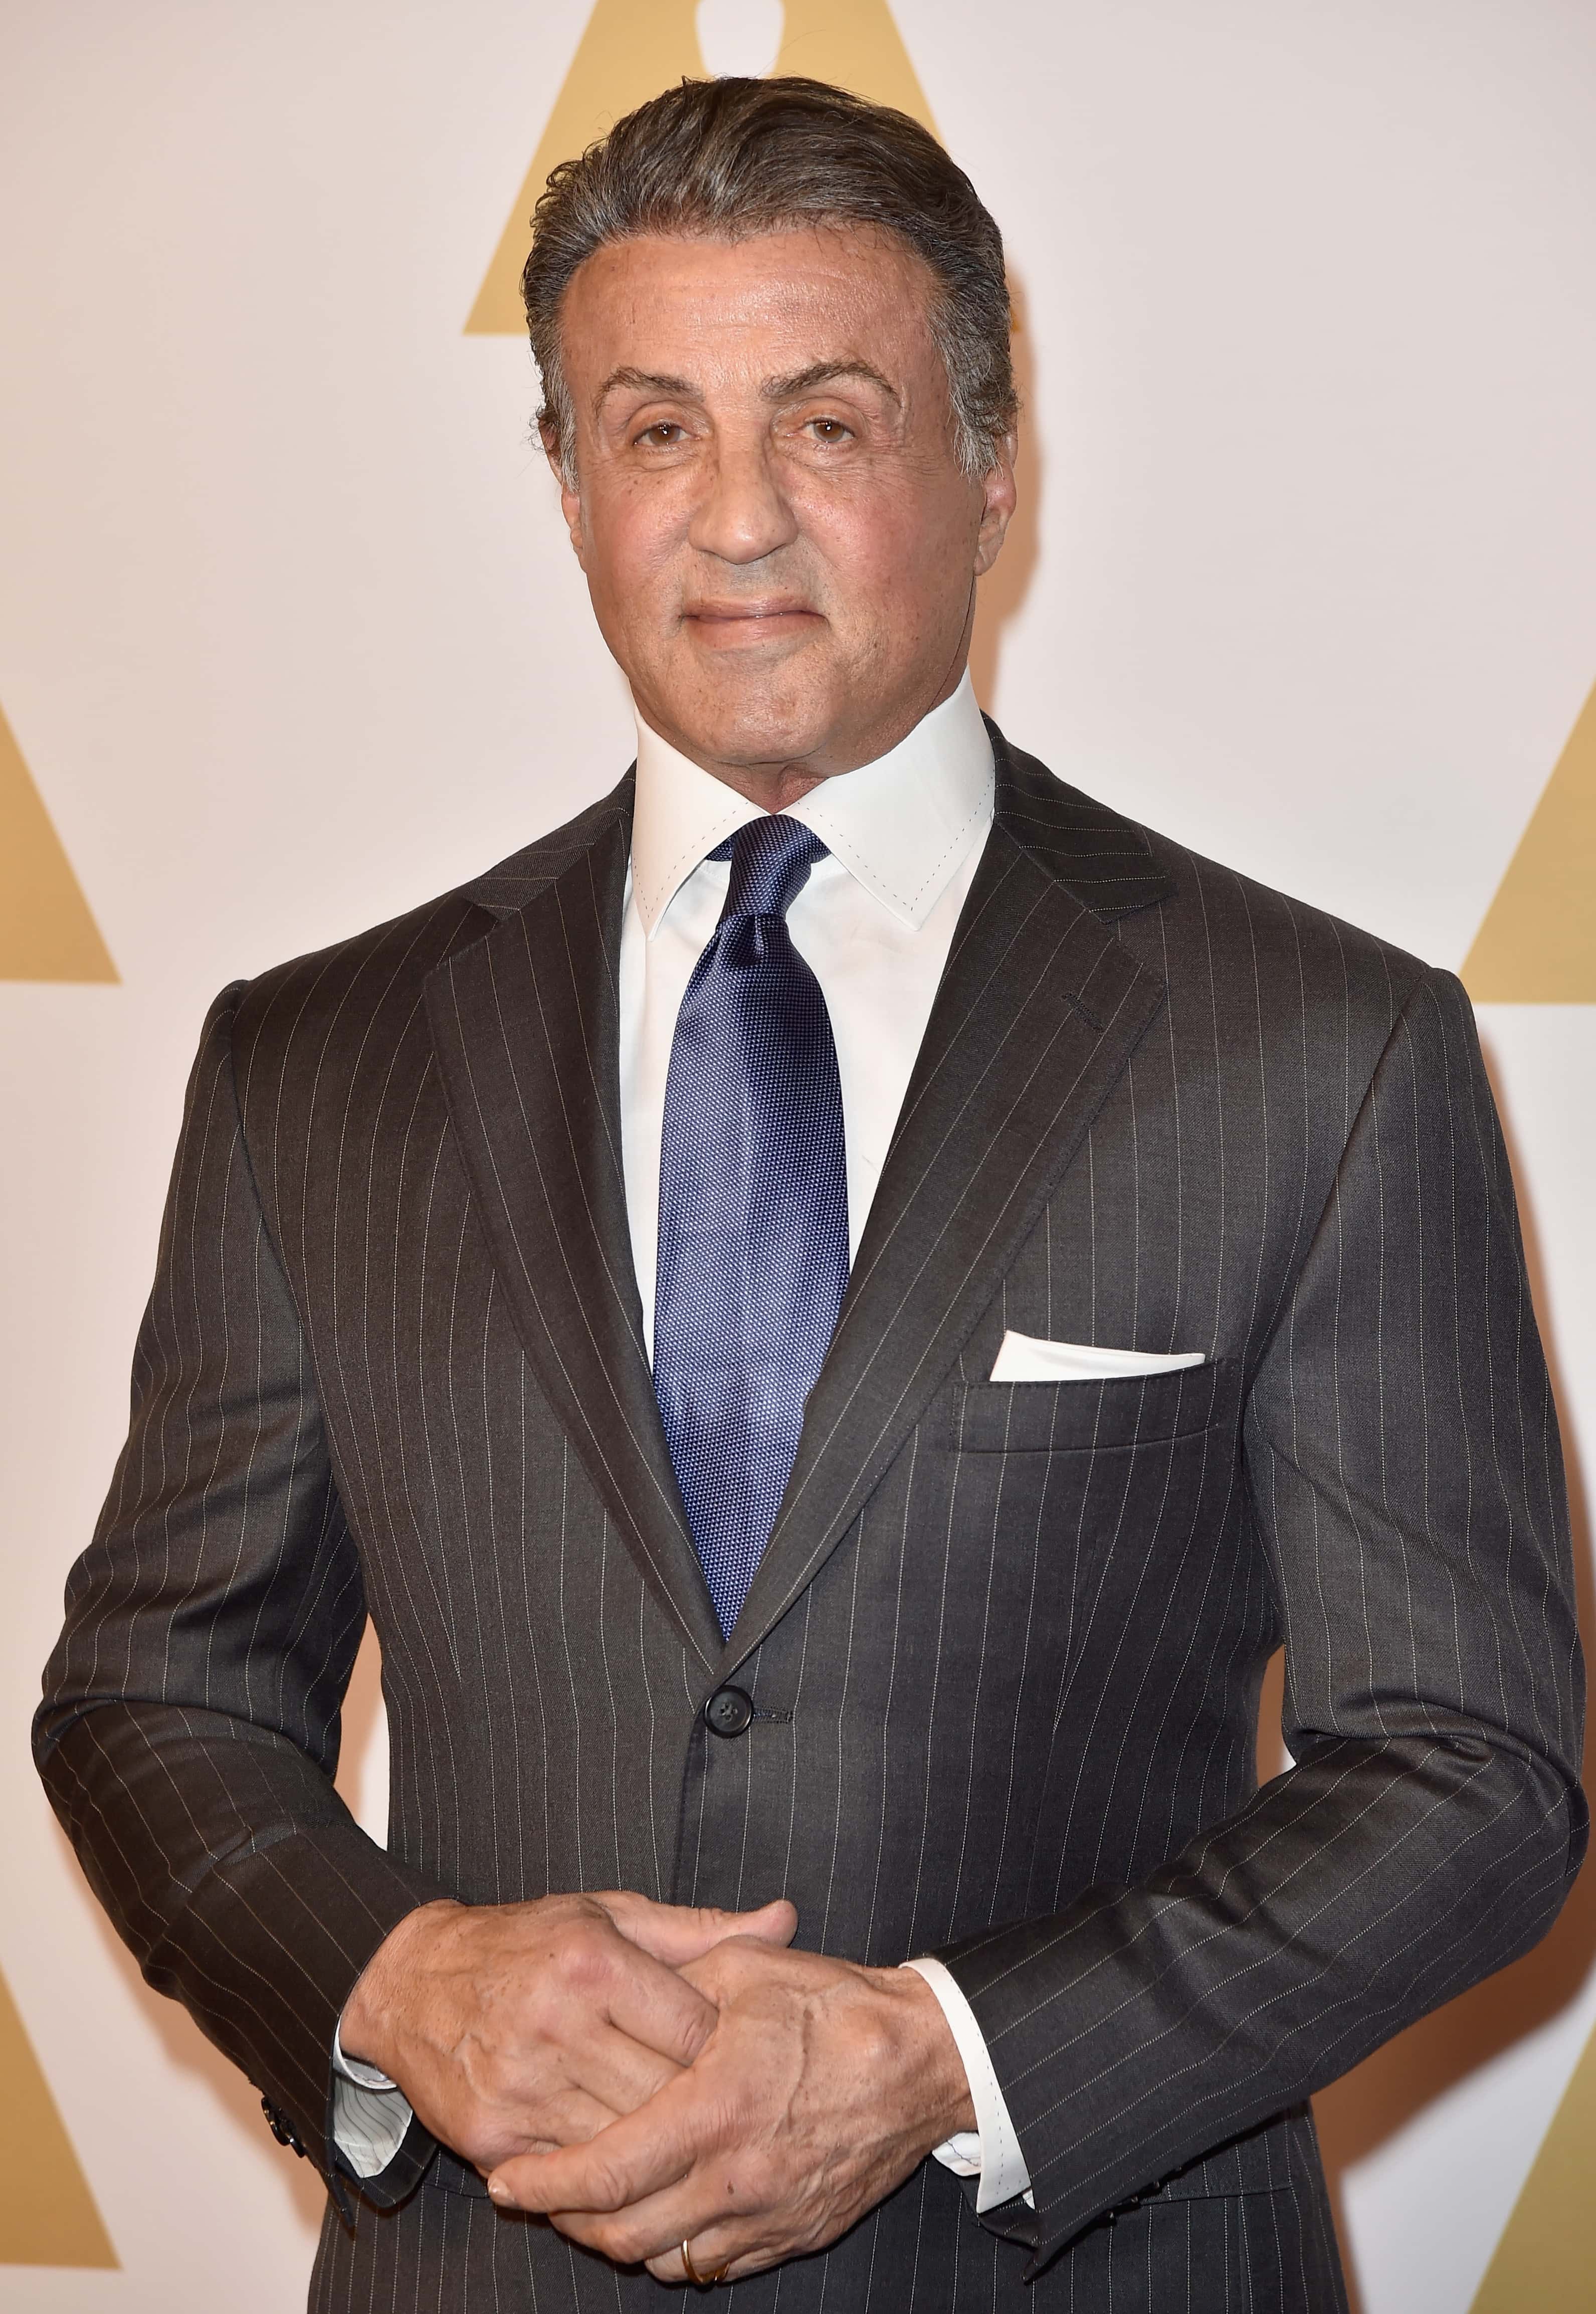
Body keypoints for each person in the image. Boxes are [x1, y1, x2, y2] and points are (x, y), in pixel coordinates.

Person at [35, 74, 1584, 2314]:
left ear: (989, 458)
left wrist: (942, 2050)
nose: (736, 518)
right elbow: (154, 1691)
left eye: (828, 423)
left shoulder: (1313, 1051)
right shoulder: (317, 1059)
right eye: (654, 429)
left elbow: (1468, 1768)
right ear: (566, 484)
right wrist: (390, 1971)